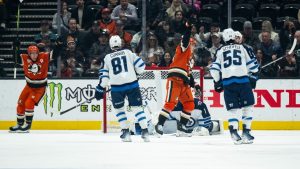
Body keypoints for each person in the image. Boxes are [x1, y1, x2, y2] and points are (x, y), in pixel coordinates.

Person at [94, 35, 150, 142]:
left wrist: (100, 89)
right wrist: (136, 73)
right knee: (137, 109)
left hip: (117, 89)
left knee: (120, 110)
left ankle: (126, 133)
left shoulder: (107, 58)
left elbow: (104, 78)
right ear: (120, 44)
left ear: (110, 45)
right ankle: (145, 132)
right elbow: (141, 67)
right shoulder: (129, 53)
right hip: (132, 85)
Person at [209, 28, 260, 144]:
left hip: (228, 84)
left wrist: (217, 81)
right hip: (243, 82)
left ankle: (233, 132)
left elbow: (214, 69)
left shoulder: (220, 50)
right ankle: (246, 132)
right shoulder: (243, 48)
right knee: (248, 107)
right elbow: (254, 66)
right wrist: (254, 73)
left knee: (233, 110)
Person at [155, 21, 199, 136]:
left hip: (184, 82)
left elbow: (189, 74)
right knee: (170, 103)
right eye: (193, 44)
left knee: (190, 103)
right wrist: (188, 29)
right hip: (175, 78)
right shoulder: (183, 48)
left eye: (194, 44)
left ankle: (182, 125)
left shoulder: (190, 59)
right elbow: (185, 40)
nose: (193, 46)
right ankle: (159, 124)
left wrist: (196, 85)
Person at [132, 89, 223, 136]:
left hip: (196, 128)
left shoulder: (200, 106)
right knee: (155, 124)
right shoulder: (174, 106)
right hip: (183, 128)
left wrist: (203, 129)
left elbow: (206, 127)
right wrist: (156, 121)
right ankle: (135, 128)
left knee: (205, 130)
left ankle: (216, 124)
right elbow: (160, 121)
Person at [9, 46, 49, 132]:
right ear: (29, 54)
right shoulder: (24, 58)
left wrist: (57, 44)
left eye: (36, 53)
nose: (34, 56)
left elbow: (56, 53)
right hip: (28, 86)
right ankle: (19, 125)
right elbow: (15, 57)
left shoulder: (44, 57)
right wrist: (15, 46)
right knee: (20, 103)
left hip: (40, 88)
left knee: (29, 103)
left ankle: (27, 125)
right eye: (32, 54)